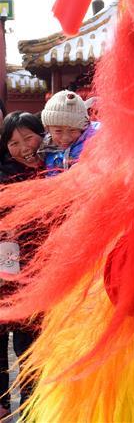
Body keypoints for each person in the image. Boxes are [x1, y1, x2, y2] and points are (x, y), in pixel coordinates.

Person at [0, 112, 46, 417]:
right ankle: (10, 404)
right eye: (13, 143)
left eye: (29, 138)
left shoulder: (58, 167)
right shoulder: (5, 176)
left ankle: (38, 406)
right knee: (12, 341)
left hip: (46, 273)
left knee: (38, 343)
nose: (23, 148)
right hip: (10, 274)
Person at [39, 91, 99, 175]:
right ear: (48, 129)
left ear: (83, 127)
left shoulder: (96, 141)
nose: (65, 138)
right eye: (58, 131)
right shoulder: (48, 150)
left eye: (72, 130)